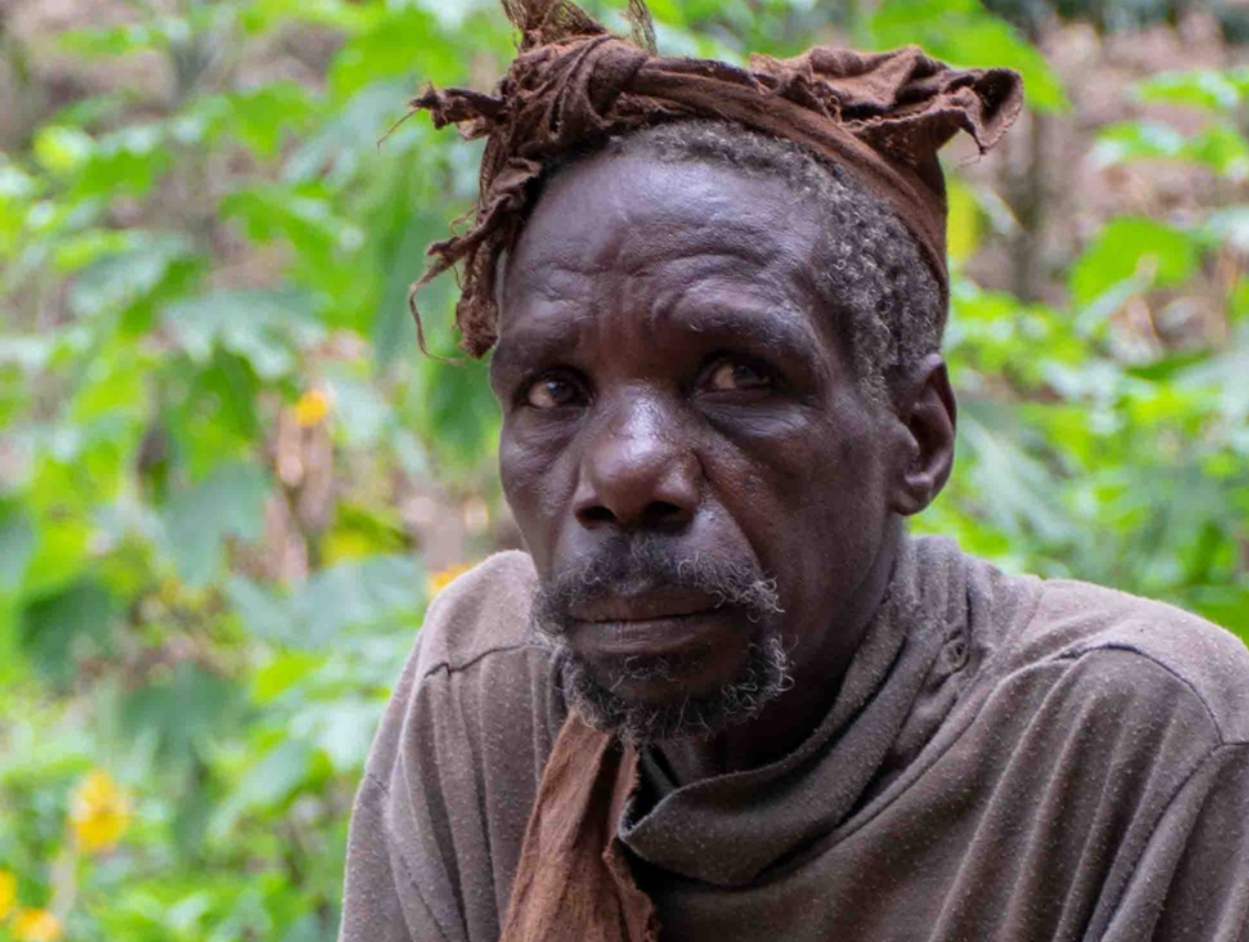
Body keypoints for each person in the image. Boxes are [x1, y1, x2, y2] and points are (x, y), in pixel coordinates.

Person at [338, 2, 1249, 940]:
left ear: (918, 438)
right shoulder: (487, 692)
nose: (623, 474)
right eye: (555, 392)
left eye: (738, 376)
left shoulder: (1138, 743)